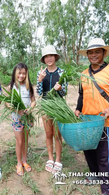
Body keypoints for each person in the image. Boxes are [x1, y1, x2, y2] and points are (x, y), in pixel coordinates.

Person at [75, 38, 109, 195]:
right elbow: (82, 95)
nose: (93, 55)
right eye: (90, 52)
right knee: (89, 151)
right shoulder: (83, 74)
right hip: (87, 122)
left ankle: (107, 189)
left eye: (97, 51)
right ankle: (96, 175)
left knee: (105, 156)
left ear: (104, 53)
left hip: (105, 122)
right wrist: (78, 109)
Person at [36, 45, 67, 174]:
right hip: (46, 106)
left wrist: (60, 89)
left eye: (51, 56)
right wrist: (40, 80)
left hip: (58, 106)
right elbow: (39, 93)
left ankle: (58, 160)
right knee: (48, 133)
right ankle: (50, 158)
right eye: (46, 56)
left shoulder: (62, 72)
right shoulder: (41, 73)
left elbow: (64, 92)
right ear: (44, 59)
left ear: (55, 57)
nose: (49, 58)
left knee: (57, 134)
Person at [6, 63, 36, 176]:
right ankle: (18, 163)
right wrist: (16, 110)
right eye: (19, 73)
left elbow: (33, 101)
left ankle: (24, 161)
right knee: (19, 141)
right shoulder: (11, 87)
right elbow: (7, 103)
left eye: (24, 73)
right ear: (15, 74)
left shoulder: (29, 86)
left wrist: (30, 108)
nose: (21, 76)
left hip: (27, 118)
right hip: (16, 118)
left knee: (25, 140)